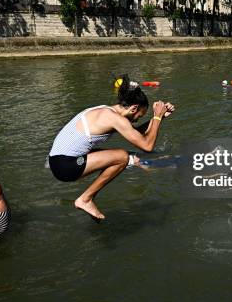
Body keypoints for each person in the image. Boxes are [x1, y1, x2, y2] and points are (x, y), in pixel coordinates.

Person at [48, 75, 175, 221]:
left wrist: (159, 118)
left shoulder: (108, 112)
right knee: (122, 157)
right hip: (65, 166)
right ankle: (85, 199)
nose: (137, 120)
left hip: (60, 161)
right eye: (139, 116)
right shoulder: (114, 118)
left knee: (133, 157)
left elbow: (137, 135)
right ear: (134, 108)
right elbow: (147, 145)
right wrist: (157, 117)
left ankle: (159, 165)